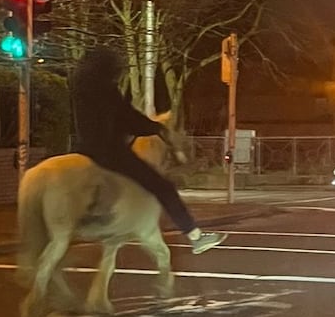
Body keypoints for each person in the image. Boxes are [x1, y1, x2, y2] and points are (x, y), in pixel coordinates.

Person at [71, 46, 227, 254]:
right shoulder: (106, 89)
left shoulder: (80, 87)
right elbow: (128, 118)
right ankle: (195, 235)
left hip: (84, 149)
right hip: (110, 151)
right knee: (163, 187)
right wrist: (157, 128)